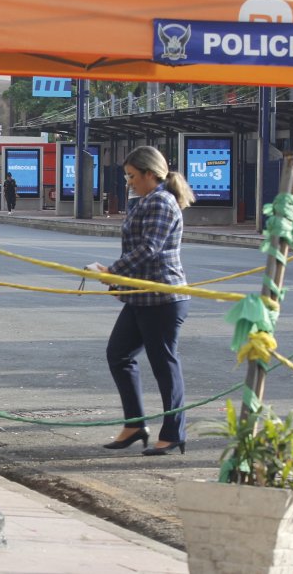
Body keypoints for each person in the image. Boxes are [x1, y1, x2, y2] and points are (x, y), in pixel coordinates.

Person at [96, 145, 195, 456]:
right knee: (118, 354)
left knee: (164, 363)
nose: (129, 182)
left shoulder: (161, 202)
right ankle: (135, 424)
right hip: (141, 296)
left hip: (163, 296)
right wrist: (118, 280)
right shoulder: (146, 200)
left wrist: (113, 272)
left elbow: (149, 248)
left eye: (132, 176)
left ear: (151, 174)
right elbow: (136, 249)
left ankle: (174, 432)